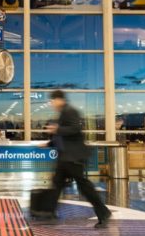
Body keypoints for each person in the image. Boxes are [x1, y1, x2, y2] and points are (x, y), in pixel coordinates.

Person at [45, 90, 112, 227]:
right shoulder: (63, 113)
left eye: (53, 101)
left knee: (84, 187)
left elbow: (74, 129)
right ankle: (49, 213)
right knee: (57, 183)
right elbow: (63, 137)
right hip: (65, 157)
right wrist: (49, 143)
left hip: (73, 157)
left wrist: (56, 129)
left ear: (60, 100)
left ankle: (103, 212)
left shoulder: (70, 111)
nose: (51, 104)